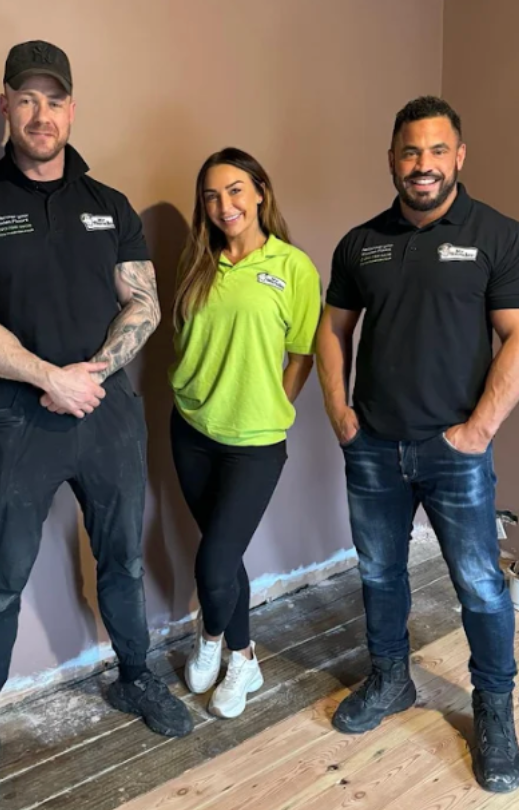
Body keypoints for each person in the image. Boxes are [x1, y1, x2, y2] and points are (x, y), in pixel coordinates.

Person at [0, 40, 192, 810]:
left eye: (56, 100)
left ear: (72, 109)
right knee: (2, 583)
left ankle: (136, 677)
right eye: (28, 99)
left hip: (108, 415)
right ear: (5, 106)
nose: (42, 115)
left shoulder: (109, 204)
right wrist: (48, 378)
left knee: (124, 562)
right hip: (21, 417)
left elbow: (141, 300)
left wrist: (93, 375)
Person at [316, 96, 519, 794]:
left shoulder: (500, 237)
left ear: (459, 157)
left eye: (436, 151)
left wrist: (476, 432)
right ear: (392, 159)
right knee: (380, 574)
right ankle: (391, 681)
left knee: (477, 583)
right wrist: (340, 412)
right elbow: (332, 328)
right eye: (410, 152)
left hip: (456, 454)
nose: (423, 165)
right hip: (374, 448)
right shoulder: (362, 243)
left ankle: (494, 709)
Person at [169, 148, 322, 719]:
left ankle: (230, 646)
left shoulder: (292, 267)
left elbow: (304, 351)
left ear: (260, 191)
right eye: (211, 195)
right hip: (190, 427)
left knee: (212, 563)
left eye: (235, 190)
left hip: (255, 442)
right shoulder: (197, 261)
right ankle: (236, 652)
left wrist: (276, 402)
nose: (223, 205)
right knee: (222, 554)